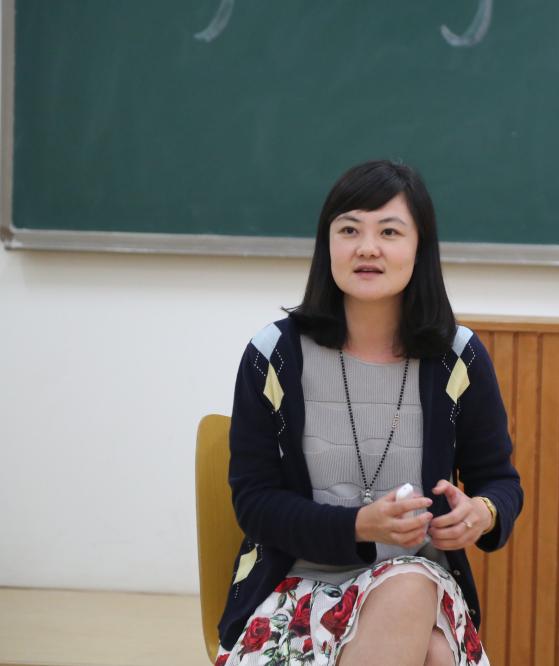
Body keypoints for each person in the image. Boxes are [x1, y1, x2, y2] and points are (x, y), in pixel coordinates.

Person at [214, 160, 523, 665]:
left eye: (389, 232)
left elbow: (499, 481)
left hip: (421, 585)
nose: (367, 247)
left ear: (420, 248)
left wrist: (482, 514)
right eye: (350, 230)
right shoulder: (274, 355)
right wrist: (358, 525)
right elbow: (254, 503)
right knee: (432, 651)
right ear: (327, 245)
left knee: (410, 584)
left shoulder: (458, 358)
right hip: (294, 590)